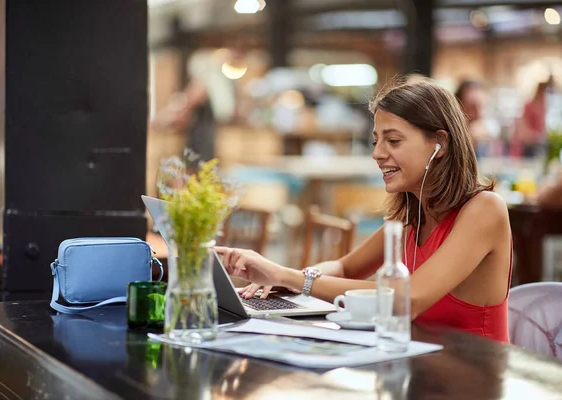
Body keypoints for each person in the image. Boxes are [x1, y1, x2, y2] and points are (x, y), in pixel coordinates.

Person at [215, 79, 513, 342]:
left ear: (440, 143)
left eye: (393, 140)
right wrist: (287, 278)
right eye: (376, 140)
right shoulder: (413, 217)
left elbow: (408, 299)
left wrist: (291, 278)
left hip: (476, 381)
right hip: (422, 372)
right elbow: (345, 268)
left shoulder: (485, 210)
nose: (377, 153)